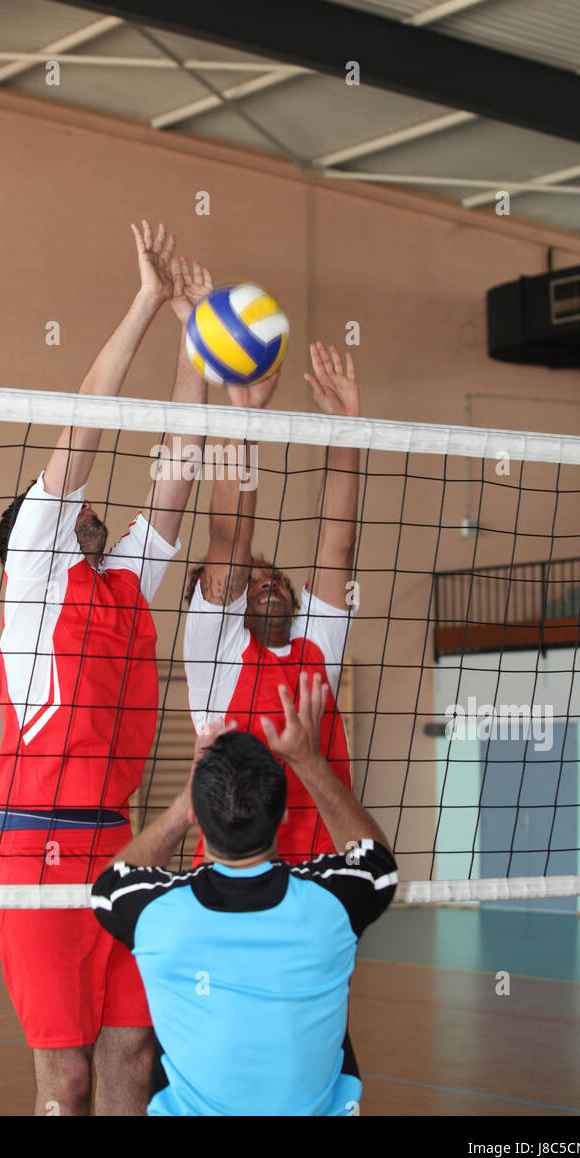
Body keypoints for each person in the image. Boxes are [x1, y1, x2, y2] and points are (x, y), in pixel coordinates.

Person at [0, 221, 209, 1116]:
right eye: (61, 503)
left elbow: (179, 467)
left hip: (121, 844)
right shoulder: (34, 569)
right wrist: (147, 302)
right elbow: (83, 428)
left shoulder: (119, 585)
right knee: (66, 1076)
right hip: (32, 847)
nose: (83, 506)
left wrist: (199, 334)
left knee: (133, 1057)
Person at [91, 673, 397, 1116]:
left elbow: (111, 884)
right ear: (284, 811)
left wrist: (182, 808)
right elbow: (376, 862)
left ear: (199, 815)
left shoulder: (157, 913)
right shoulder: (333, 903)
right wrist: (309, 762)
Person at [183, 343, 360, 862]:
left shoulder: (316, 645)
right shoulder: (216, 653)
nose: (268, 583)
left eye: (277, 578)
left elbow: (338, 543)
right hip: (233, 871)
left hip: (325, 869)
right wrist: (244, 417)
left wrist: (346, 427)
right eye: (253, 580)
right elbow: (230, 535)